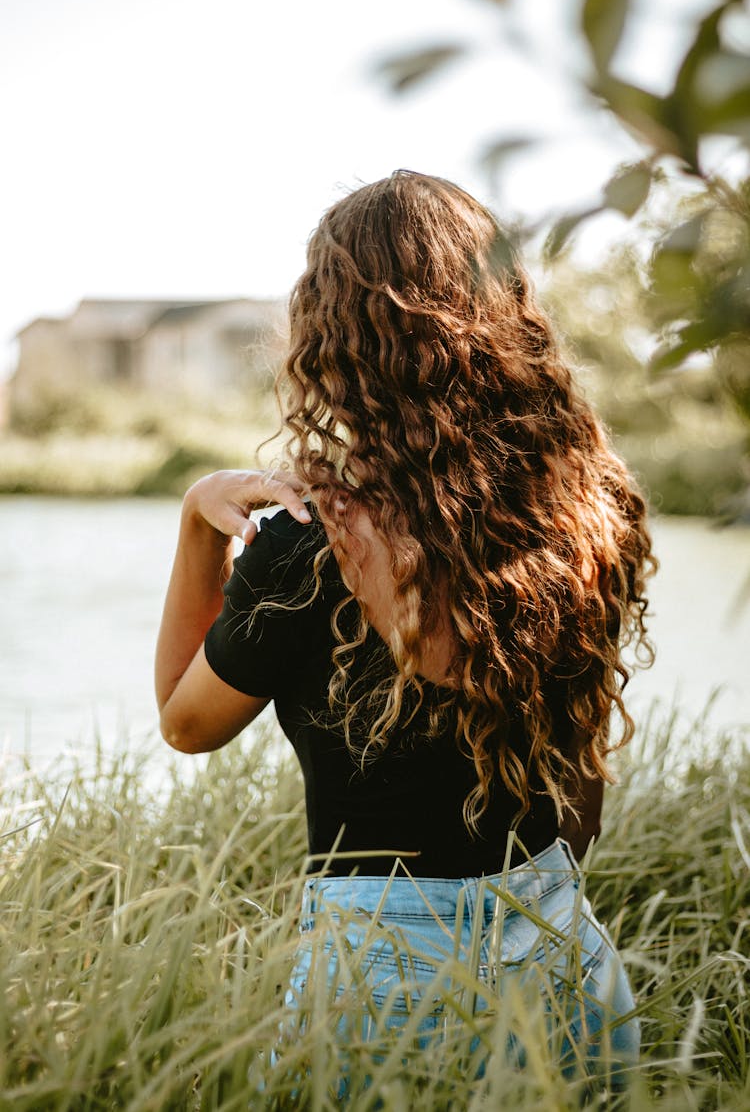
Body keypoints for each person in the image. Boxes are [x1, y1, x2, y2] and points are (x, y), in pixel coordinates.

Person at [155, 171, 654, 1082]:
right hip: (561, 949)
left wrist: (198, 522)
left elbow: (186, 725)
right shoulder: (582, 511)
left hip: (380, 981)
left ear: (333, 334)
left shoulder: (309, 545)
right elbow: (581, 806)